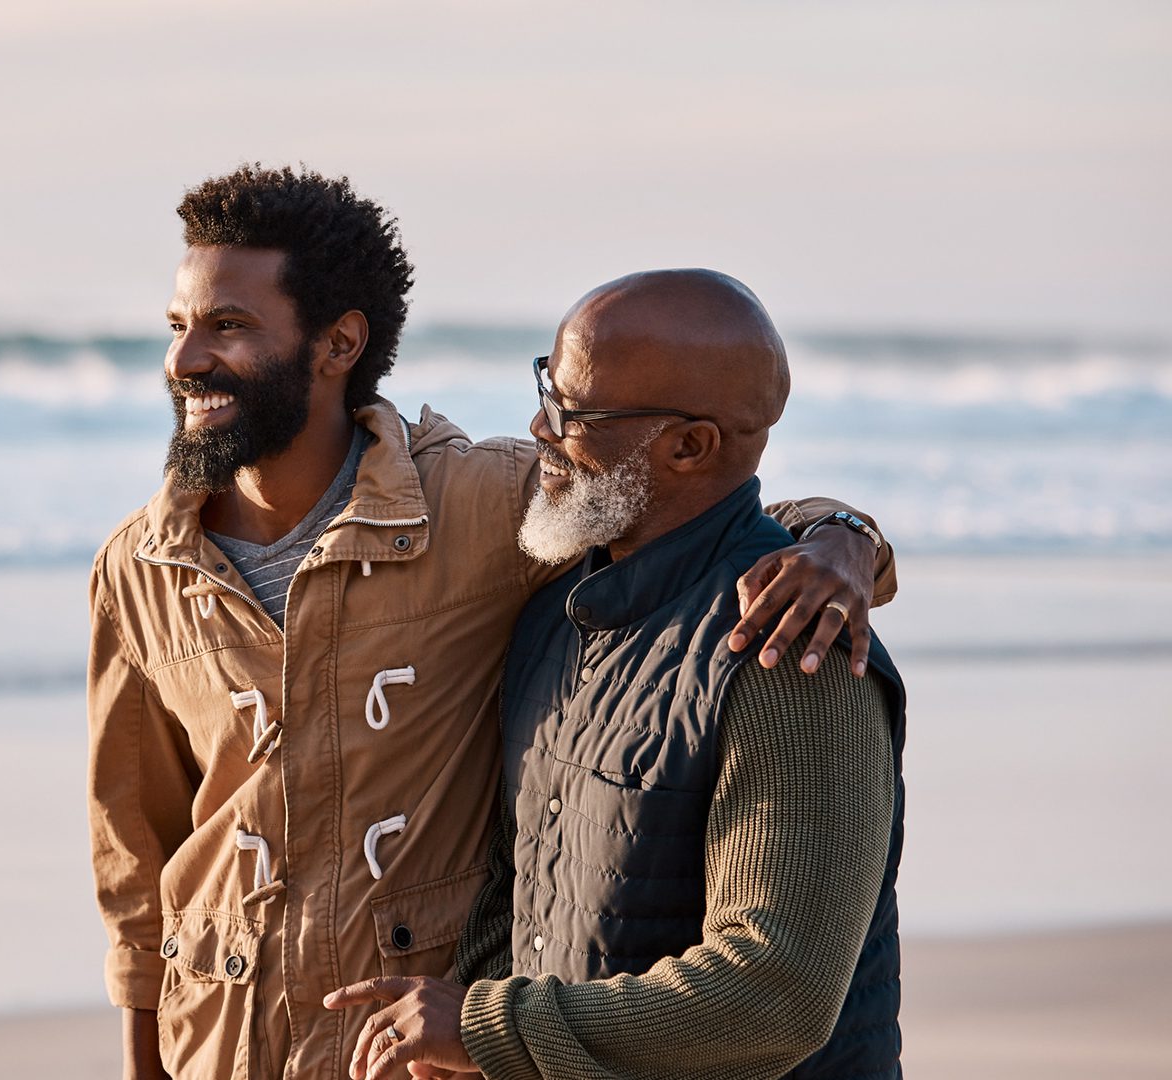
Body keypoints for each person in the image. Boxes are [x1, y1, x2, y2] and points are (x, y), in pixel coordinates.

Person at [88, 169, 897, 1080]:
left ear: (339, 341)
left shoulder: (485, 511)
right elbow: (135, 853)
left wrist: (844, 538)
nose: (185, 358)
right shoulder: (138, 566)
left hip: (412, 1049)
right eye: (179, 326)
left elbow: (701, 514)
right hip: (223, 1042)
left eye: (229, 325)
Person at [324, 269, 908, 1080]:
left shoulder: (794, 651)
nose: (539, 426)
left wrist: (486, 1026)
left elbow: (777, 994)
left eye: (574, 412)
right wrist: (462, 1037)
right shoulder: (553, 615)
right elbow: (520, 899)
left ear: (690, 445)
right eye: (545, 386)